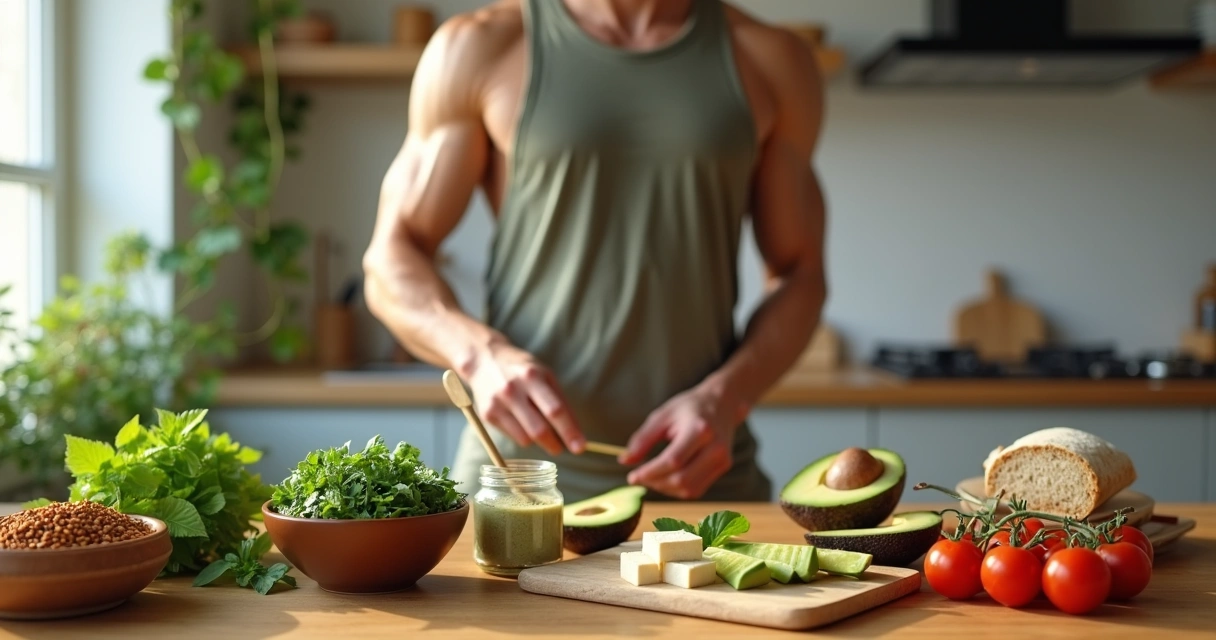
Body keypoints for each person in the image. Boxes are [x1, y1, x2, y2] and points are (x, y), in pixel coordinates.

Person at [363, 0, 826, 502]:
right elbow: (391, 256)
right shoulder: (480, 46)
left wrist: (727, 396)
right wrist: (480, 357)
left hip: (705, 480)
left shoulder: (771, 58)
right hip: (520, 484)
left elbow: (801, 273)